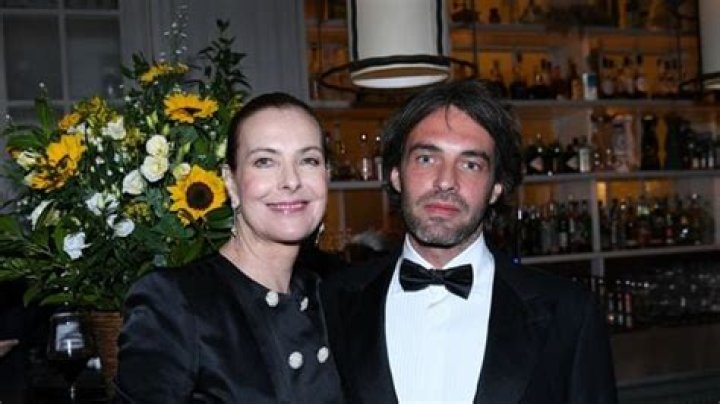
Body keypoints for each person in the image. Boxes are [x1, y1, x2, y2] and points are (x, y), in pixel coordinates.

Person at [322, 80, 617, 403]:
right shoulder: (332, 302)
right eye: (426, 158)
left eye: (470, 164)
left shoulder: (570, 313)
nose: (446, 181)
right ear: (395, 174)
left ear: (496, 188)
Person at [116, 92, 343, 403]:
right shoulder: (175, 302)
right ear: (231, 182)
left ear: (326, 176)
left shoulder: (332, 296)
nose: (291, 180)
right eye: (265, 162)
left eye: (309, 160)